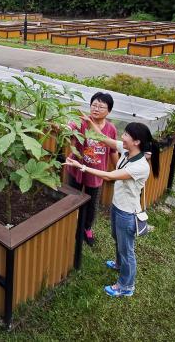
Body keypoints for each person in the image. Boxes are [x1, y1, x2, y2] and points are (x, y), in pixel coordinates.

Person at [65, 121, 153, 297]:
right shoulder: (127, 151)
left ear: (137, 141)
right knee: (117, 239)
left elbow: (109, 175)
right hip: (118, 206)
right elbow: (104, 139)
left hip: (127, 213)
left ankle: (126, 286)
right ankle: (119, 265)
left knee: (127, 250)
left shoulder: (140, 167)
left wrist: (81, 166)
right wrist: (90, 121)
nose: (122, 137)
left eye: (126, 134)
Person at [65, 92, 118, 246]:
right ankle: (70, 226)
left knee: (91, 203)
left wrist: (118, 169)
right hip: (76, 168)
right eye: (94, 105)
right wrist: (65, 126)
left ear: (109, 111)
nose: (96, 109)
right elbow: (69, 128)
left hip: (95, 173)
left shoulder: (111, 129)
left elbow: (113, 151)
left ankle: (86, 228)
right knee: (71, 198)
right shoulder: (81, 122)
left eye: (101, 107)